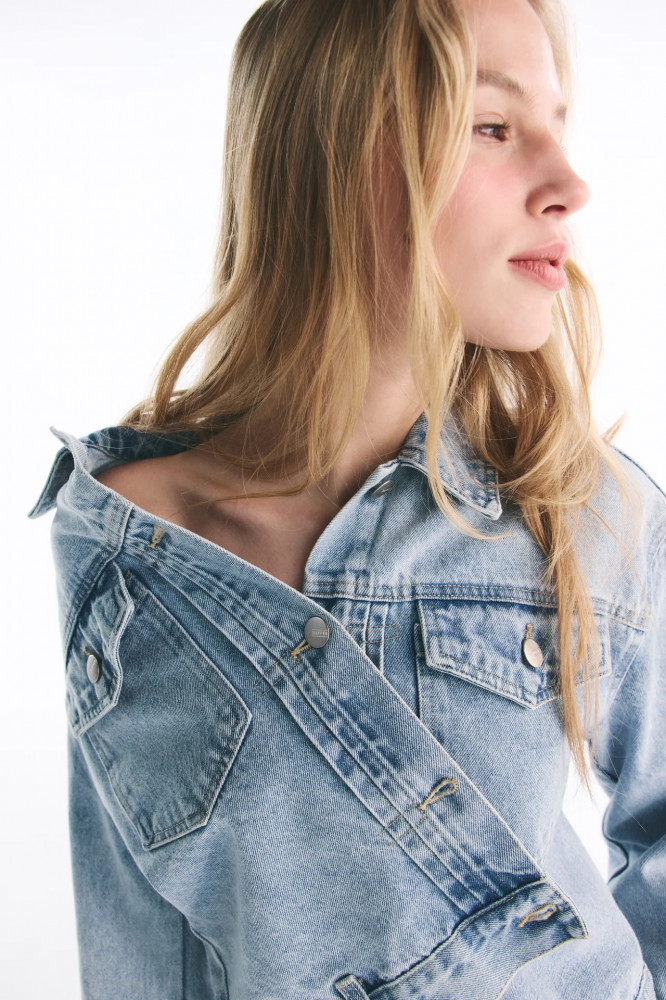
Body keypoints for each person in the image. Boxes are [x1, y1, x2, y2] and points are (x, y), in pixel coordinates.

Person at [30, 0, 665, 997]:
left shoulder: (580, 509)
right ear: (335, 154)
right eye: (492, 126)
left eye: (557, 124)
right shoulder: (130, 548)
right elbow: (142, 951)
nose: (569, 184)